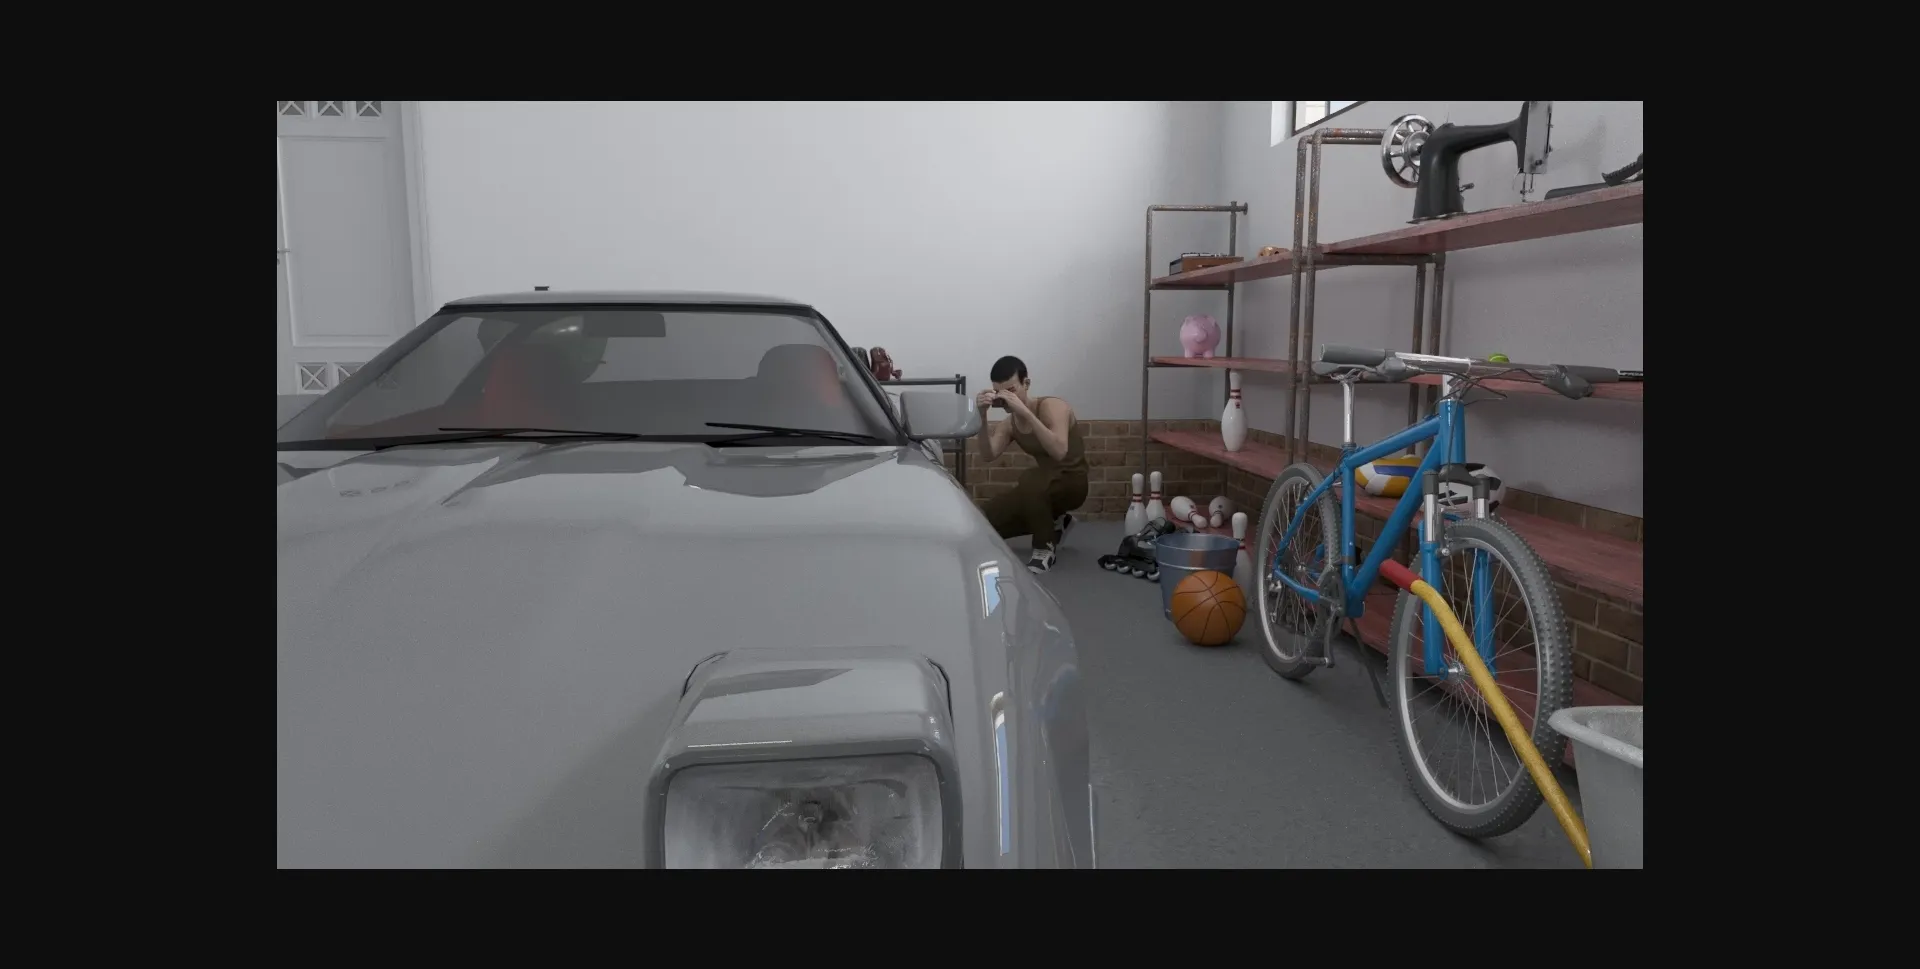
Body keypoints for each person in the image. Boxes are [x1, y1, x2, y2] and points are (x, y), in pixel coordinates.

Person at [974, 355, 1088, 573]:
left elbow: (1059, 451)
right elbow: (988, 455)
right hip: (1040, 489)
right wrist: (981, 416)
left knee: (1029, 479)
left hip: (1073, 483)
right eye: (1000, 393)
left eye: (1011, 391)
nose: (1006, 399)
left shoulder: (1053, 407)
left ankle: (1044, 548)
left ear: (1026, 384)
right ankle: (1057, 523)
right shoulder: (1010, 424)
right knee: (982, 521)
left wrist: (1025, 412)